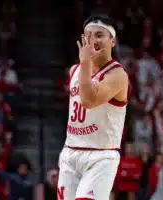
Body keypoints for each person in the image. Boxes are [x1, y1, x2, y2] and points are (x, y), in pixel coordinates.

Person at [57, 14, 129, 200]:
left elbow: (89, 101)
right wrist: (85, 65)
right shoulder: (75, 71)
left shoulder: (117, 75)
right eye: (88, 35)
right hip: (71, 152)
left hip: (100, 156)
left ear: (112, 41)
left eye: (99, 35)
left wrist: (86, 62)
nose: (93, 40)